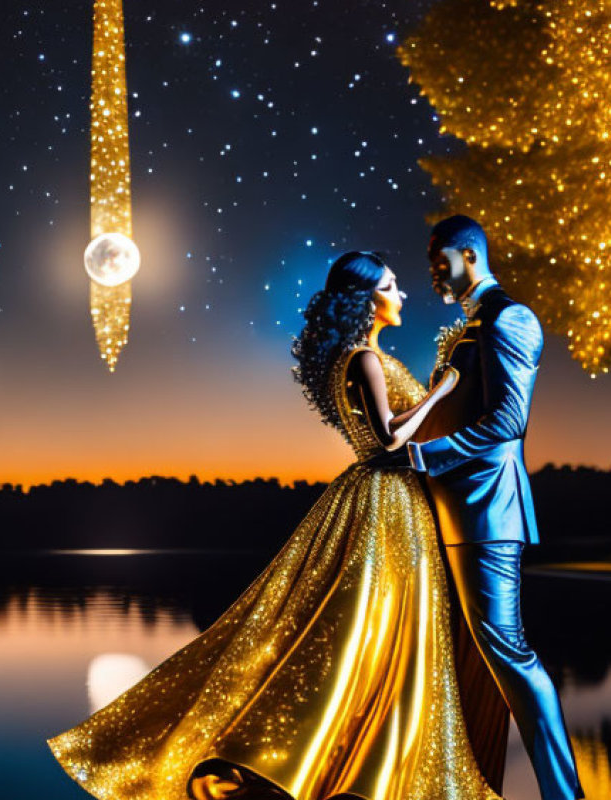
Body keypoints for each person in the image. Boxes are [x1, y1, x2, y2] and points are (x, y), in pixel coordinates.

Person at [46, 251, 508, 800]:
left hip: (388, 498)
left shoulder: (360, 358)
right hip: (387, 497)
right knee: (362, 627)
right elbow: (388, 441)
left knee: (371, 629)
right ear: (366, 299)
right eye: (391, 285)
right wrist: (444, 389)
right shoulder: (361, 358)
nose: (401, 294)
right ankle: (334, 763)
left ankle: (359, 759)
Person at [408, 215, 585, 800]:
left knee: (508, 652)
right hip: (456, 511)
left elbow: (509, 421)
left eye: (440, 263)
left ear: (469, 254)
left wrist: (424, 457)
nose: (433, 275)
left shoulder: (510, 317)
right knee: (474, 664)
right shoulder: (473, 324)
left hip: (487, 509)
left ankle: (565, 794)